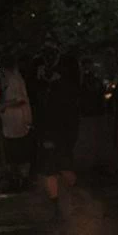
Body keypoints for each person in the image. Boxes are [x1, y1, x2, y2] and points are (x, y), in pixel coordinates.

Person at [37, 53, 81, 212]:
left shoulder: (58, 88)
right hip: (56, 132)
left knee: (59, 168)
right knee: (54, 170)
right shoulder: (47, 87)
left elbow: (58, 111)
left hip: (57, 132)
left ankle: (69, 199)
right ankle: (60, 202)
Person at [0, 54, 33, 190]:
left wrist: (4, 106)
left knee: (19, 154)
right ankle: (17, 180)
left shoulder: (15, 80)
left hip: (18, 123)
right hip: (10, 124)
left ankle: (22, 180)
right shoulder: (7, 80)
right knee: (13, 154)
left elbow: (20, 99)